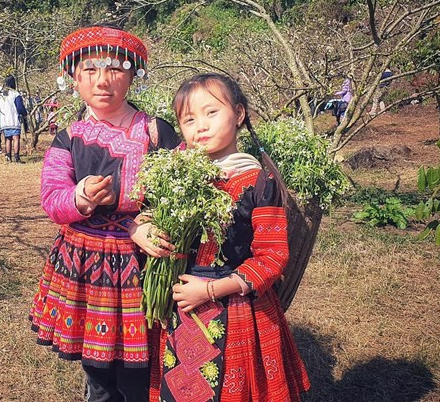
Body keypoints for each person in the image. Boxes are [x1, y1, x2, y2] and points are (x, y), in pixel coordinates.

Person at [133, 73, 310, 402]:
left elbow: (272, 259)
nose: (200, 126)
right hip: (179, 307)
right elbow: (146, 212)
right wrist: (141, 228)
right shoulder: (176, 175)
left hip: (235, 309)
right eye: (188, 119)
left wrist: (210, 290)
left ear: (239, 115)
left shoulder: (258, 181)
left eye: (211, 113)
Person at [29, 25, 181, 402]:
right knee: (98, 374)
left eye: (114, 68)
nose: (102, 81)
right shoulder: (68, 137)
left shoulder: (156, 132)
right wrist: (80, 197)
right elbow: (52, 197)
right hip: (84, 265)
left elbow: (180, 196)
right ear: (74, 79)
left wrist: (144, 223)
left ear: (133, 76)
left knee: (139, 370)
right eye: (90, 70)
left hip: (141, 264)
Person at [0, 75, 28, 163]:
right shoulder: (15, 94)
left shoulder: (1, 94)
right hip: (13, 119)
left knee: (8, 138)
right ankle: (17, 157)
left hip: (4, 120)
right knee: (16, 138)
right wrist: (25, 113)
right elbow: (20, 107)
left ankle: (8, 156)